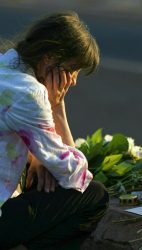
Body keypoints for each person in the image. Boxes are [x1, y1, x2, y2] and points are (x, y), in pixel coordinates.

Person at [0, 11, 109, 249]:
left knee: (39, 176)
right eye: (71, 70)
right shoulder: (29, 93)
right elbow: (75, 174)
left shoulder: (5, 66)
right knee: (95, 195)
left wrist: (38, 157)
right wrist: (57, 106)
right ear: (49, 59)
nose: (73, 81)